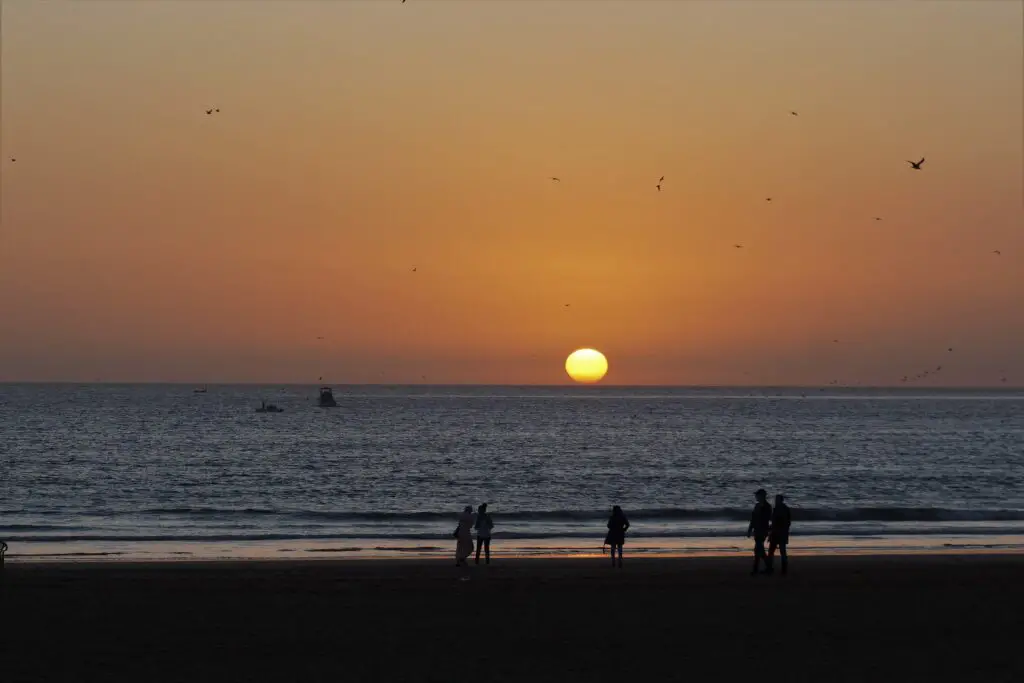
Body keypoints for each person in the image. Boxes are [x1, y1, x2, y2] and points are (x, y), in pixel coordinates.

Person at [746, 489, 772, 575]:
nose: (756, 497)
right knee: (758, 549)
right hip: (757, 530)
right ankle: (765, 568)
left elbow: (767, 519)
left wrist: (768, 530)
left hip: (762, 530)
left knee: (759, 549)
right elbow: (753, 519)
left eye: (757, 495)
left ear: (762, 496)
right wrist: (750, 529)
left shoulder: (767, 507)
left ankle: (761, 568)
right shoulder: (757, 506)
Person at [767, 494, 791, 575]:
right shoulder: (781, 509)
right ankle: (780, 569)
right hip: (779, 533)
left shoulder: (780, 509)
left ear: (781, 500)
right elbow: (787, 522)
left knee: (775, 551)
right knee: (778, 551)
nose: (775, 501)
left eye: (777, 500)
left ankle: (773, 568)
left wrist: (772, 528)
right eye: (775, 500)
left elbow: (782, 522)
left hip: (779, 533)